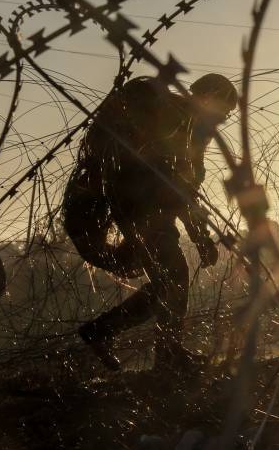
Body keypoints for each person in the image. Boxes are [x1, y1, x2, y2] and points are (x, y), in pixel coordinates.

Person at [67, 73, 237, 372]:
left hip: (146, 208)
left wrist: (199, 234)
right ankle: (164, 354)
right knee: (174, 276)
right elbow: (179, 186)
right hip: (142, 209)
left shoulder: (188, 124)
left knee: (168, 281)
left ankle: (103, 332)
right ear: (208, 99)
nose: (224, 118)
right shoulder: (177, 120)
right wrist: (199, 236)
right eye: (223, 110)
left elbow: (184, 189)